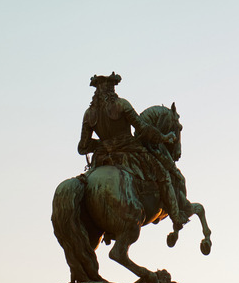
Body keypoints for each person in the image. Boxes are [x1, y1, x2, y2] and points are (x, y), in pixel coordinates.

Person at [77, 72, 181, 224]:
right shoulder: (122, 105)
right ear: (111, 89)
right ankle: (176, 217)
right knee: (163, 175)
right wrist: (163, 138)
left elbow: (83, 147)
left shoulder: (89, 114)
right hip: (130, 152)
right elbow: (143, 128)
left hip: (102, 157)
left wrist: (104, 144)